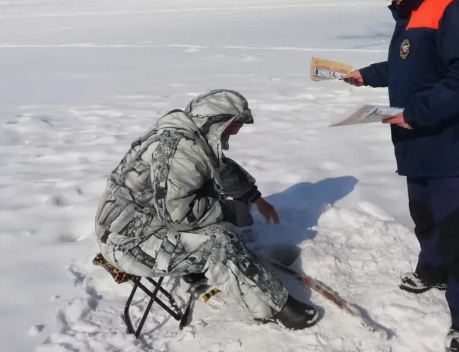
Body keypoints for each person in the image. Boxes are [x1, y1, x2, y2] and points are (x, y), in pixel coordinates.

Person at [343, 0, 459, 352]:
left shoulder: (455, 5)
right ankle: (433, 270)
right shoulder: (413, 6)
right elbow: (410, 63)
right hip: (420, 140)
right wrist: (368, 75)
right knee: (425, 216)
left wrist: (416, 112)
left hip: (454, 143)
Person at [94, 89, 319, 330]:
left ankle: (197, 267)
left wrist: (254, 198)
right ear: (214, 121)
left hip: (143, 224)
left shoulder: (191, 137)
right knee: (220, 243)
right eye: (234, 123)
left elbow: (219, 168)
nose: (238, 129)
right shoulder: (180, 151)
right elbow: (180, 216)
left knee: (215, 205)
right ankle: (277, 308)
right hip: (129, 243)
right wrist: (229, 211)